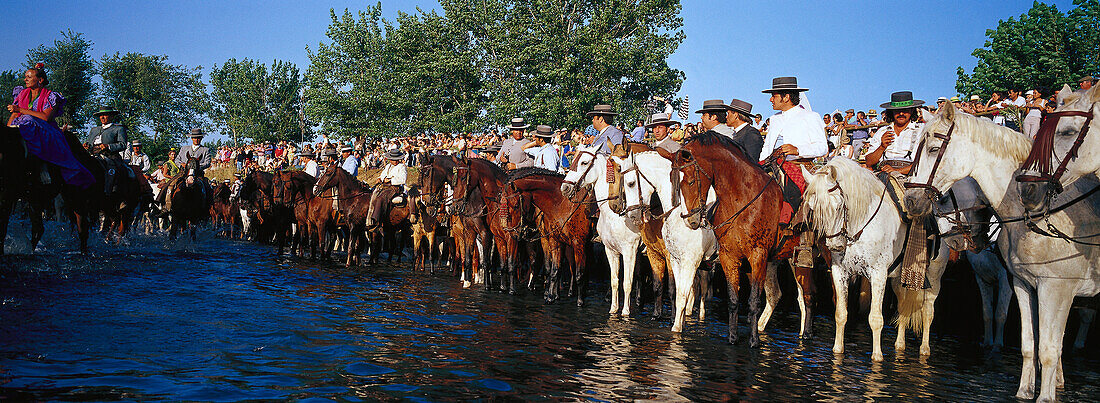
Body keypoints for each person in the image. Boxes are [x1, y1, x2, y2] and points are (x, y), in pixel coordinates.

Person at [760, 76, 828, 269]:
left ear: (786, 96)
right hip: (772, 166)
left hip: (799, 166)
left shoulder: (810, 117)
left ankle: (805, 243)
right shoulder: (774, 120)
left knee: (802, 198)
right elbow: (766, 148)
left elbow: (822, 147)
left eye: (773, 96)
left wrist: (798, 149)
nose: (770, 100)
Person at [7, 63, 95, 189]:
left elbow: (45, 117)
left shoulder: (50, 96)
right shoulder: (22, 94)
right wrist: (9, 128)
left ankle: (44, 167)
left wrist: (21, 109)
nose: (25, 79)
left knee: (28, 119)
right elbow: (15, 114)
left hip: (45, 129)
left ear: (40, 80)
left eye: (29, 77)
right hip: (23, 126)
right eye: (25, 76)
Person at [864, 91, 924, 176]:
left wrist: (898, 171)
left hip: (910, 178)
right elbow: (869, 162)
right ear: (891, 112)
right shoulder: (882, 131)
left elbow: (924, 163)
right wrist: (882, 147)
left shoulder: (921, 131)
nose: (901, 114)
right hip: (882, 175)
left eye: (905, 110)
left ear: (911, 110)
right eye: (897, 111)